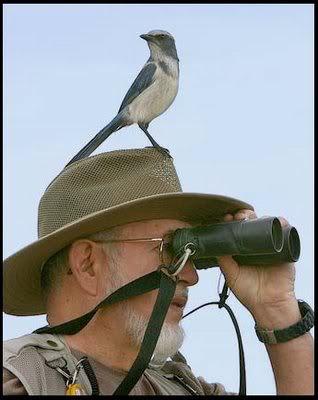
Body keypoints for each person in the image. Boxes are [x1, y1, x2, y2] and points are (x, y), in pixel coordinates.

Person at [3, 148, 314, 395]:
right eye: (170, 247)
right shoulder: (23, 381)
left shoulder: (185, 389)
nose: (191, 276)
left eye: (192, 250)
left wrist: (277, 311)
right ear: (87, 264)